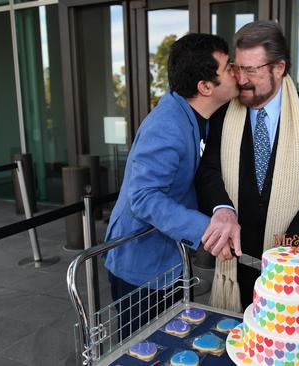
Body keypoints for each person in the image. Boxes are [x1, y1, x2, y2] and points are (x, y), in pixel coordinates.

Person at [103, 33, 240, 338]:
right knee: (145, 350)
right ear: (205, 87)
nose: (236, 70)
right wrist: (206, 229)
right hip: (140, 267)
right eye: (228, 66)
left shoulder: (197, 115)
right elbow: (143, 196)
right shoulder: (167, 125)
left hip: (167, 262)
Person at [196, 20, 299, 311]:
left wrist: (285, 251)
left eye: (252, 69)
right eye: (237, 67)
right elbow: (208, 172)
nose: (242, 78)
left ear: (279, 68)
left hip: (295, 262)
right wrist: (222, 209)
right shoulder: (222, 114)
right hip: (235, 261)